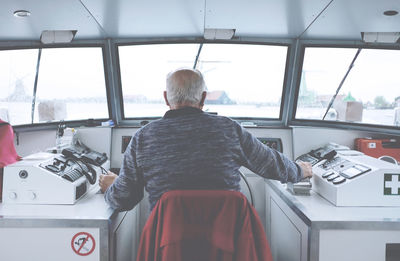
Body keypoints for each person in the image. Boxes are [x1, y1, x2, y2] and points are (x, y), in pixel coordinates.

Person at [100, 68, 312, 211]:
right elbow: (271, 164)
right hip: (226, 245)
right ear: (203, 98)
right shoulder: (229, 129)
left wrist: (111, 187)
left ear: (166, 98)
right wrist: (300, 170)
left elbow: (124, 198)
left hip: (169, 245)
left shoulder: (143, 138)